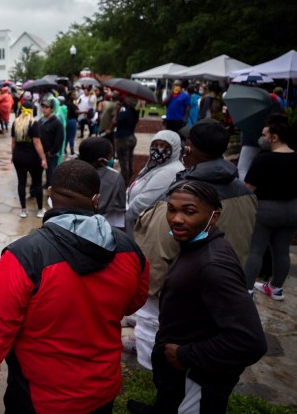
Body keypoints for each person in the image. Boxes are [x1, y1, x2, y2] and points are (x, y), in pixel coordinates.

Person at [0, 160, 149, 413]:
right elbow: (136, 299)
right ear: (96, 199)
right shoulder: (129, 249)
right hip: (102, 390)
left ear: (49, 194)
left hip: (40, 398)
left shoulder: (24, 256)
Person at [127, 181, 266, 414]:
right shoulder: (193, 245)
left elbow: (250, 342)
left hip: (197, 381)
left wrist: (186, 355)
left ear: (214, 216)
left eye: (189, 211)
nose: (176, 219)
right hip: (176, 376)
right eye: (171, 209)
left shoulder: (214, 266)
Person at [131, 120, 257, 369]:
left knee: (170, 353)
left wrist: (150, 291)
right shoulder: (244, 191)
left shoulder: (186, 193)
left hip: (183, 288)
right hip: (222, 281)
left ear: (188, 148)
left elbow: (158, 246)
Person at [243, 115, 297, 301]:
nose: (262, 138)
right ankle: (276, 288)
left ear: (274, 137)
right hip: (292, 210)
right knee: (282, 250)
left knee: (255, 250)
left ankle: (246, 290)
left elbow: (248, 188)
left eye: (264, 134)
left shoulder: (263, 159)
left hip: (266, 210)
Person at [79, 137, 126, 229]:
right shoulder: (115, 177)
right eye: (111, 156)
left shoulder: (71, 170)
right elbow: (121, 206)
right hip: (103, 227)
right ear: (101, 161)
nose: (112, 158)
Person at [11, 99, 47, 219]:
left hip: (18, 157)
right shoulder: (34, 123)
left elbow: (13, 142)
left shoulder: (16, 122)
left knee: (21, 183)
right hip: (32, 157)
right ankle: (40, 210)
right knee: (37, 183)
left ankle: (23, 210)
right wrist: (43, 158)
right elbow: (37, 142)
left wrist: (13, 155)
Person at [114, 95, 140, 186]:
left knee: (123, 162)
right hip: (131, 136)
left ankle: (124, 183)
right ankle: (128, 176)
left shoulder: (125, 113)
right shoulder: (135, 112)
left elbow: (115, 123)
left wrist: (117, 113)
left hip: (123, 138)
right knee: (129, 159)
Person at [39, 98, 64, 190]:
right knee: (39, 172)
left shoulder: (57, 123)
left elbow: (59, 139)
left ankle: (51, 192)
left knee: (51, 173)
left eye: (47, 107)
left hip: (51, 154)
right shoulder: (40, 121)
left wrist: (52, 152)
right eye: (43, 107)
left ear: (52, 109)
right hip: (41, 153)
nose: (44, 109)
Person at [64, 91, 78, 156]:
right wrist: (85, 112)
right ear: (70, 96)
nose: (75, 96)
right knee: (72, 136)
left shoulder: (66, 103)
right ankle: (72, 150)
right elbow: (76, 112)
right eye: (74, 95)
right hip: (72, 121)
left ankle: (64, 149)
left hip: (66, 120)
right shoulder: (72, 105)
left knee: (67, 135)